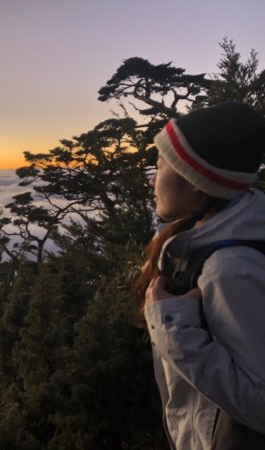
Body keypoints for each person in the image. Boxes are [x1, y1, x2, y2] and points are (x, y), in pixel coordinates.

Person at [134, 102, 265, 449]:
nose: (152, 180)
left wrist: (173, 328)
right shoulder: (217, 231)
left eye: (160, 166)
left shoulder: (229, 268)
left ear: (194, 182)